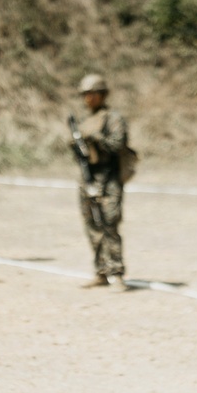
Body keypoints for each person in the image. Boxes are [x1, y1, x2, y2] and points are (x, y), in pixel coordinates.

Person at [73, 74, 129, 290]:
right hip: (87, 177)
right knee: (92, 225)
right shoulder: (84, 120)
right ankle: (101, 271)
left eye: (93, 93)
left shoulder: (113, 118)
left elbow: (117, 145)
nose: (89, 98)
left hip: (110, 178)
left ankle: (117, 274)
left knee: (110, 223)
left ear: (103, 95)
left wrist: (96, 138)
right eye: (85, 94)